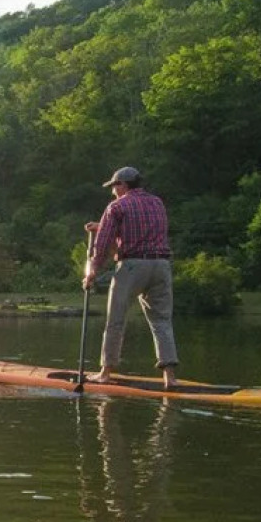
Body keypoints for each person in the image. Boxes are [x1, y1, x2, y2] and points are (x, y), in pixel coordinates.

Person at [83, 166, 179, 389]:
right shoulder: (157, 202)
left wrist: (92, 272)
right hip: (161, 265)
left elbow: (103, 244)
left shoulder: (117, 206)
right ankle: (170, 377)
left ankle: (105, 373)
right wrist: (103, 226)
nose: (112, 191)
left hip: (132, 265)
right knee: (162, 321)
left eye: (114, 186)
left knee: (115, 319)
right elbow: (141, 230)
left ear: (123, 186)